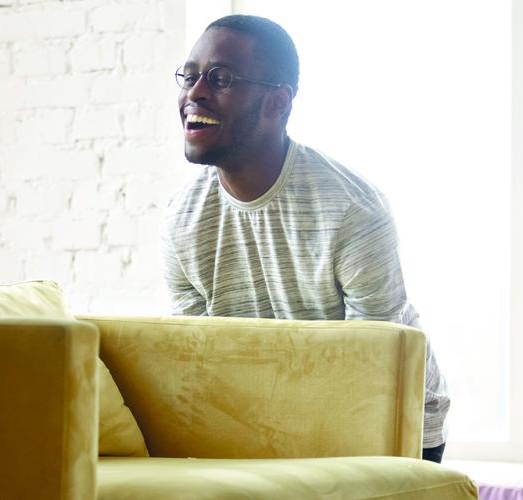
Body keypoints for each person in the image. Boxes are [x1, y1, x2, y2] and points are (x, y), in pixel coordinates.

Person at [160, 15, 451, 463]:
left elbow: (376, 368)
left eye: (220, 78)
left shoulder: (353, 210)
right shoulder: (182, 221)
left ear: (277, 102)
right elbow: (200, 365)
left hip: (391, 417)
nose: (194, 92)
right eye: (190, 75)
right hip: (262, 416)